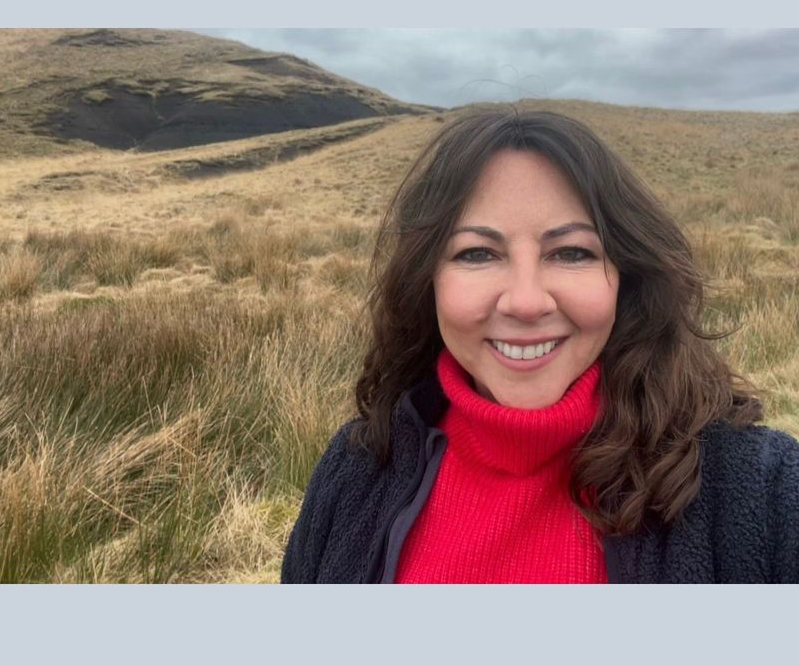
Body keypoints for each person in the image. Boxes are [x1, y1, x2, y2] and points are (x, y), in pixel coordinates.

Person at [281, 109, 799, 583]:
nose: (526, 302)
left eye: (571, 252)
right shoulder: (355, 472)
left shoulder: (762, 489)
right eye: (477, 254)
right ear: (427, 280)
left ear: (627, 275)